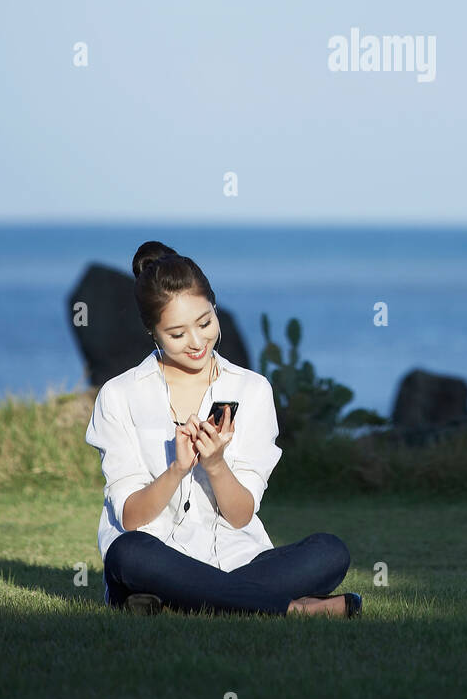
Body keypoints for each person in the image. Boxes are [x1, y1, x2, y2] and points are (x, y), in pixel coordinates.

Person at [84, 240, 361, 619]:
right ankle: (292, 608)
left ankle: (178, 601)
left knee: (330, 552)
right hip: (153, 557)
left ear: (215, 308)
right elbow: (132, 518)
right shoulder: (119, 395)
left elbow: (240, 515)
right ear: (152, 331)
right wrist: (177, 470)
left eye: (205, 323)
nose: (197, 342)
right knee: (127, 554)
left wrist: (215, 465)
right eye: (178, 335)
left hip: (238, 560)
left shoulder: (252, 389)